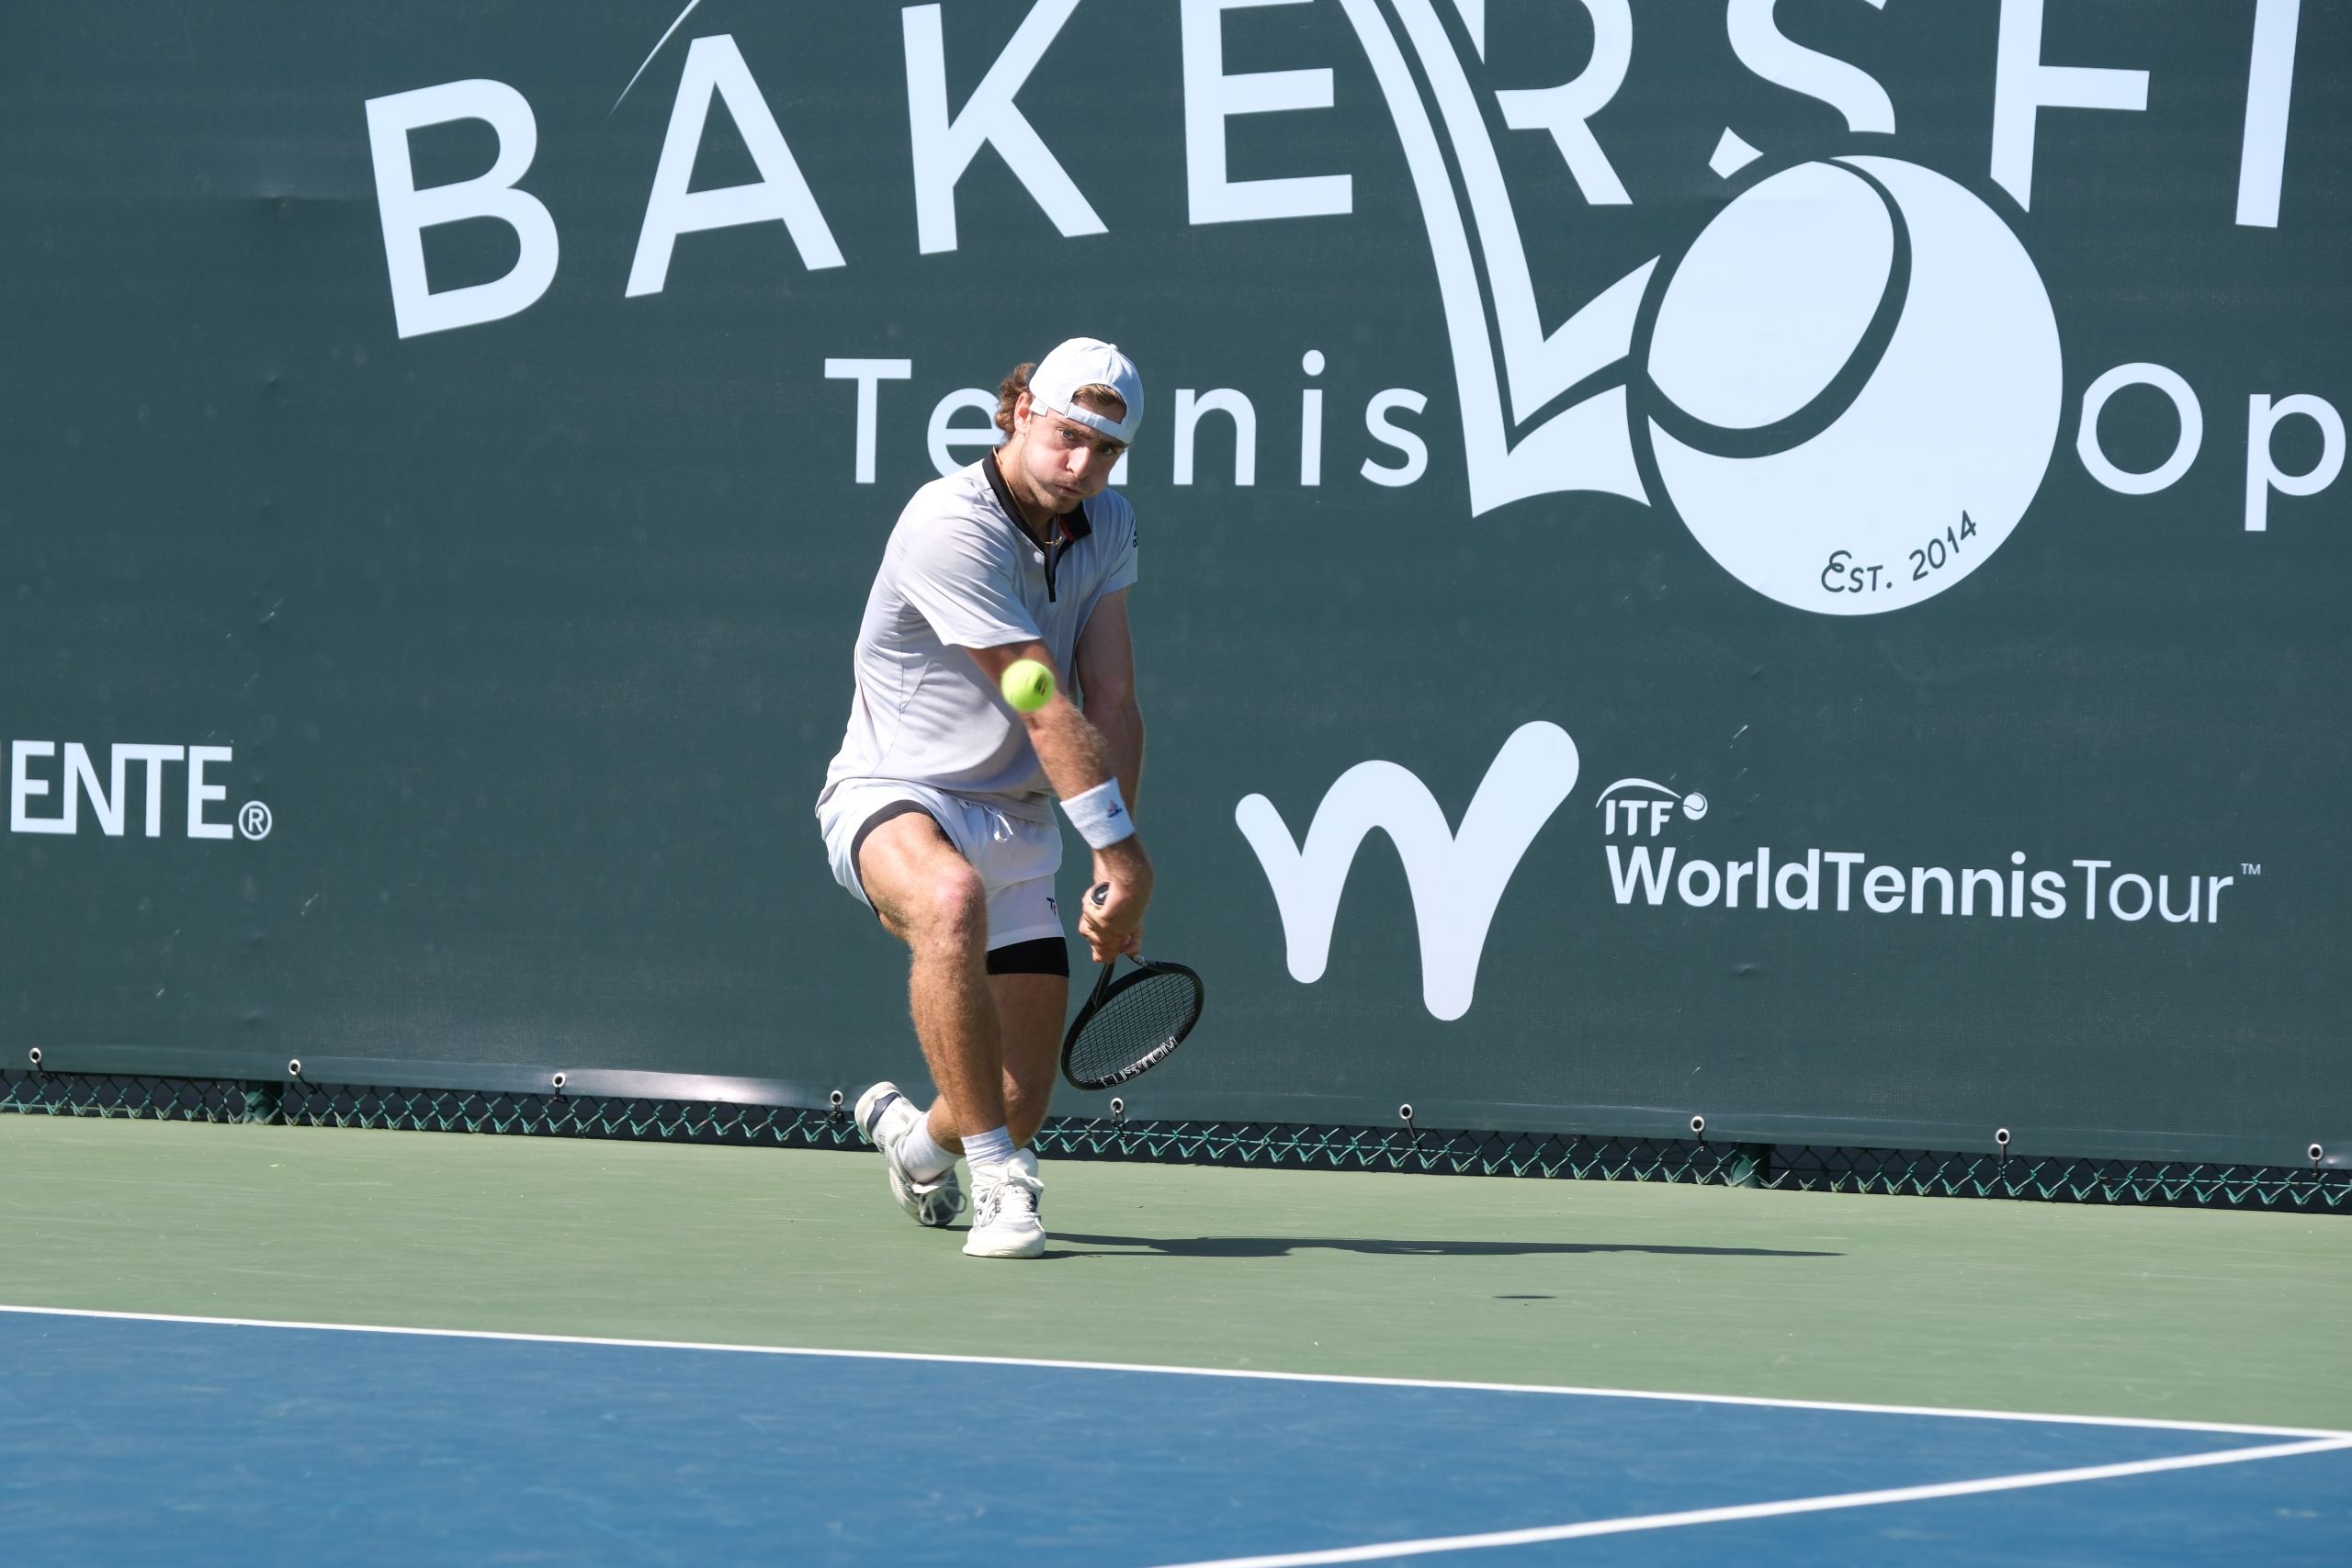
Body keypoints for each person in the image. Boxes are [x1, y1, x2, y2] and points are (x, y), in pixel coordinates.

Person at [816, 338, 1154, 1259]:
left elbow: (1111, 698)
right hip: (897, 793)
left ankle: (917, 1146)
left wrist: (1107, 858)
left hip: (1018, 817)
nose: (1083, 465)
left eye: (1106, 449)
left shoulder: (1108, 523)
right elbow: (1038, 694)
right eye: (1068, 435)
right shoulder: (947, 522)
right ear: (1021, 410)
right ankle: (1003, 1179)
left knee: (1012, 1098)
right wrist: (1122, 855)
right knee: (949, 900)